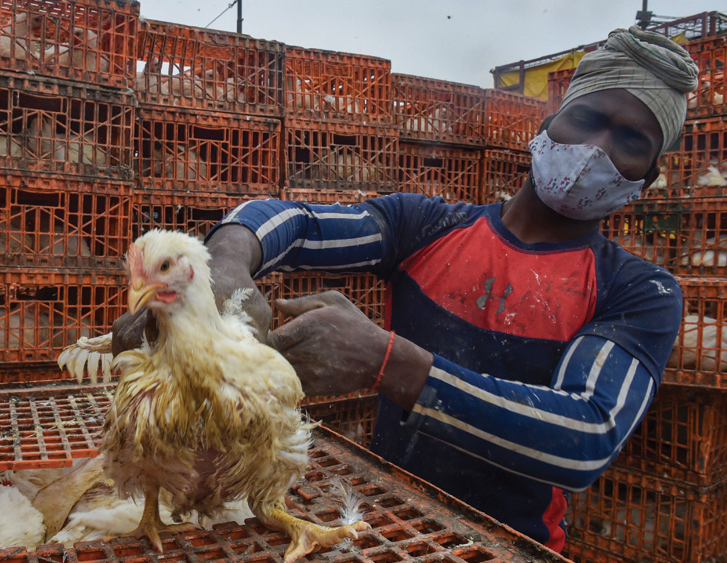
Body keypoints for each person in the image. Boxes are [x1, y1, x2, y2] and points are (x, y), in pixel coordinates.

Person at [113, 26, 698, 551]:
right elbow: (291, 223)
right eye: (588, 119)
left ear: (647, 177)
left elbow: (585, 437)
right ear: (549, 124)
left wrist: (386, 361)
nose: (597, 148)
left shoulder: (638, 290)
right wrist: (227, 264)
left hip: (506, 546)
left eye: (631, 142)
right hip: (388, 521)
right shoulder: (426, 227)